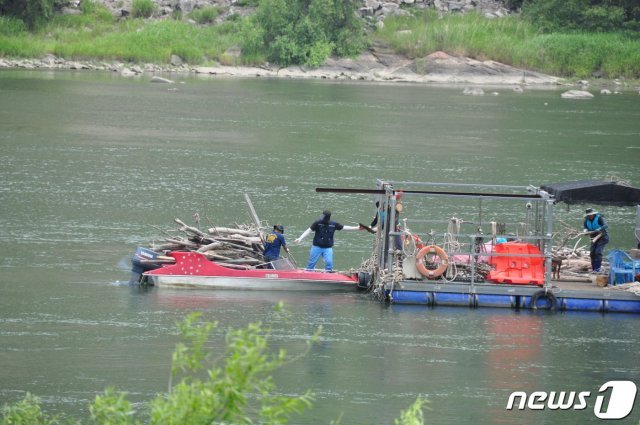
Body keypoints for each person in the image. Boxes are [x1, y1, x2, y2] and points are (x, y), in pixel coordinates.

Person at [294, 210, 362, 271]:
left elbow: (344, 228)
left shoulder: (333, 224)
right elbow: (309, 230)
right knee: (311, 264)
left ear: (327, 218)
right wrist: (300, 238)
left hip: (328, 248)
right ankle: (308, 274)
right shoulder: (317, 223)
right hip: (316, 247)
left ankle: (328, 274)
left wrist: (357, 228)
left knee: (329, 263)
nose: (322, 219)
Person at [583, 208, 609, 273]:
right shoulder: (586, 220)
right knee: (592, 253)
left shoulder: (599, 218)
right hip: (593, 238)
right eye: (588, 215)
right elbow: (585, 227)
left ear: (593, 214)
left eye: (591, 215)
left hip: (602, 237)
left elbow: (606, 225)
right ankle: (594, 269)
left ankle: (598, 268)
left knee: (598, 252)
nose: (590, 216)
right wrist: (585, 231)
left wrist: (599, 229)